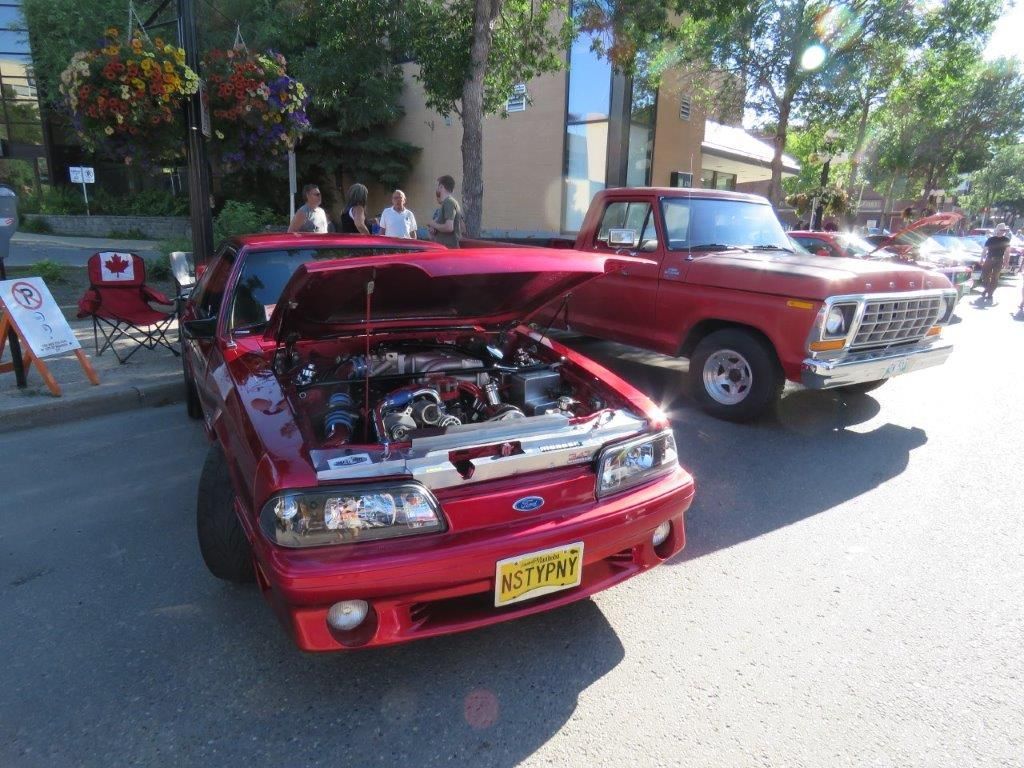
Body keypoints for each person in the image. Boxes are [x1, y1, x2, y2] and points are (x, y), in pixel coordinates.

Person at [426, 175, 462, 247]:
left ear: (441, 187)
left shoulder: (449, 202)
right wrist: (434, 229)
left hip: (448, 250)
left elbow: (449, 227)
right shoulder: (447, 203)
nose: (437, 189)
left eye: (438, 186)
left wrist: (433, 224)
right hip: (444, 249)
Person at [979, 222, 1011, 302]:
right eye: (1001, 230)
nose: (1002, 231)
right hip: (989, 259)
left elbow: (1007, 252)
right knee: (985, 276)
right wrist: (982, 259)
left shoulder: (1006, 240)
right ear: (997, 230)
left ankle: (990, 294)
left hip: (999, 260)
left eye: (1004, 230)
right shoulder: (990, 239)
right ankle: (987, 289)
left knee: (995, 278)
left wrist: (1006, 262)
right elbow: (985, 250)